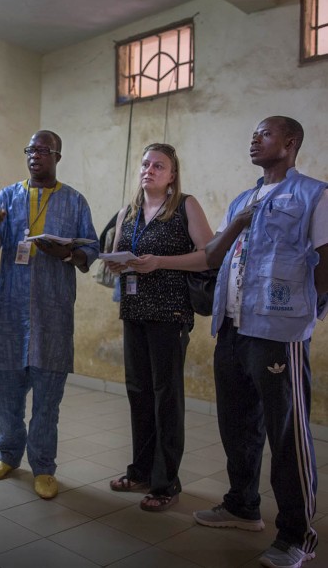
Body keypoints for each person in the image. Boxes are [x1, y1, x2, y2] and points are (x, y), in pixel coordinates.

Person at [193, 117, 327, 568]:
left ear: (290, 143)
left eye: (265, 133)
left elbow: (327, 262)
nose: (255, 138)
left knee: (287, 434)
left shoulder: (314, 194)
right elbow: (217, 255)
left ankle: (296, 536)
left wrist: (309, 312)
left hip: (277, 333)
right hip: (232, 327)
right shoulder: (242, 199)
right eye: (253, 132)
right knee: (236, 424)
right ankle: (241, 505)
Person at [0, 130, 99, 499]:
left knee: (48, 398)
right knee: (7, 393)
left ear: (58, 156)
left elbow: (90, 251)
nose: (35, 155)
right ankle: (7, 456)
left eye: (43, 150)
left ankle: (44, 467)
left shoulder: (75, 201)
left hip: (53, 314)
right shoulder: (7, 197)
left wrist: (68, 255)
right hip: (11, 313)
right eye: (31, 149)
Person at [105, 143, 213, 511]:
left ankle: (166, 483)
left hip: (170, 314)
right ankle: (140, 471)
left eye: (159, 166)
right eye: (145, 164)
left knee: (166, 397)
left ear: (172, 174)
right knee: (138, 392)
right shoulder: (129, 212)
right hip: (134, 311)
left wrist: (160, 262)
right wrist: (120, 264)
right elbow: (122, 252)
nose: (149, 170)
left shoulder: (185, 206)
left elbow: (209, 256)